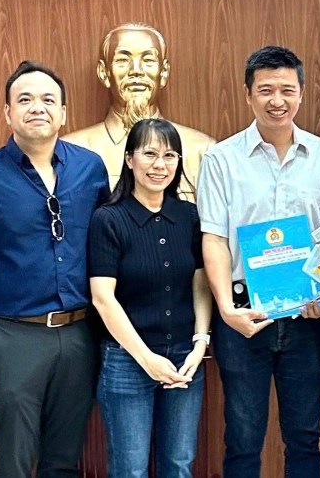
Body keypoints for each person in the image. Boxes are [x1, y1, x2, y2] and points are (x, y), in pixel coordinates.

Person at [197, 46, 320, 478]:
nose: (276, 100)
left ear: (301, 93)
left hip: (306, 315)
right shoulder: (221, 159)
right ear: (248, 95)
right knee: (243, 441)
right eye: (265, 90)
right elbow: (214, 238)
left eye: (286, 89)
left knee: (305, 438)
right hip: (244, 315)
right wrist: (227, 309)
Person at [0, 60, 109, 476]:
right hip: (14, 337)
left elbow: (108, 250)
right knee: (14, 460)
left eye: (48, 99)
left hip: (80, 335)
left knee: (64, 459)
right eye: (24, 99)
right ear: (8, 113)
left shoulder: (91, 168)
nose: (37, 107)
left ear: (63, 113)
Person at [88, 118, 212, 477]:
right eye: (150, 154)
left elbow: (200, 283)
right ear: (130, 159)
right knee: (130, 469)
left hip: (185, 358)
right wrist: (146, 359)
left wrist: (200, 343)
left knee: (179, 464)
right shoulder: (108, 219)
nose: (160, 165)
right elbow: (102, 298)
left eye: (170, 155)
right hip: (126, 361)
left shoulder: (188, 215)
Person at [64, 22, 215, 199]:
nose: (136, 71)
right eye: (122, 61)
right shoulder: (71, 153)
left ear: (164, 72)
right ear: (104, 72)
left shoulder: (202, 150)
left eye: (148, 60)